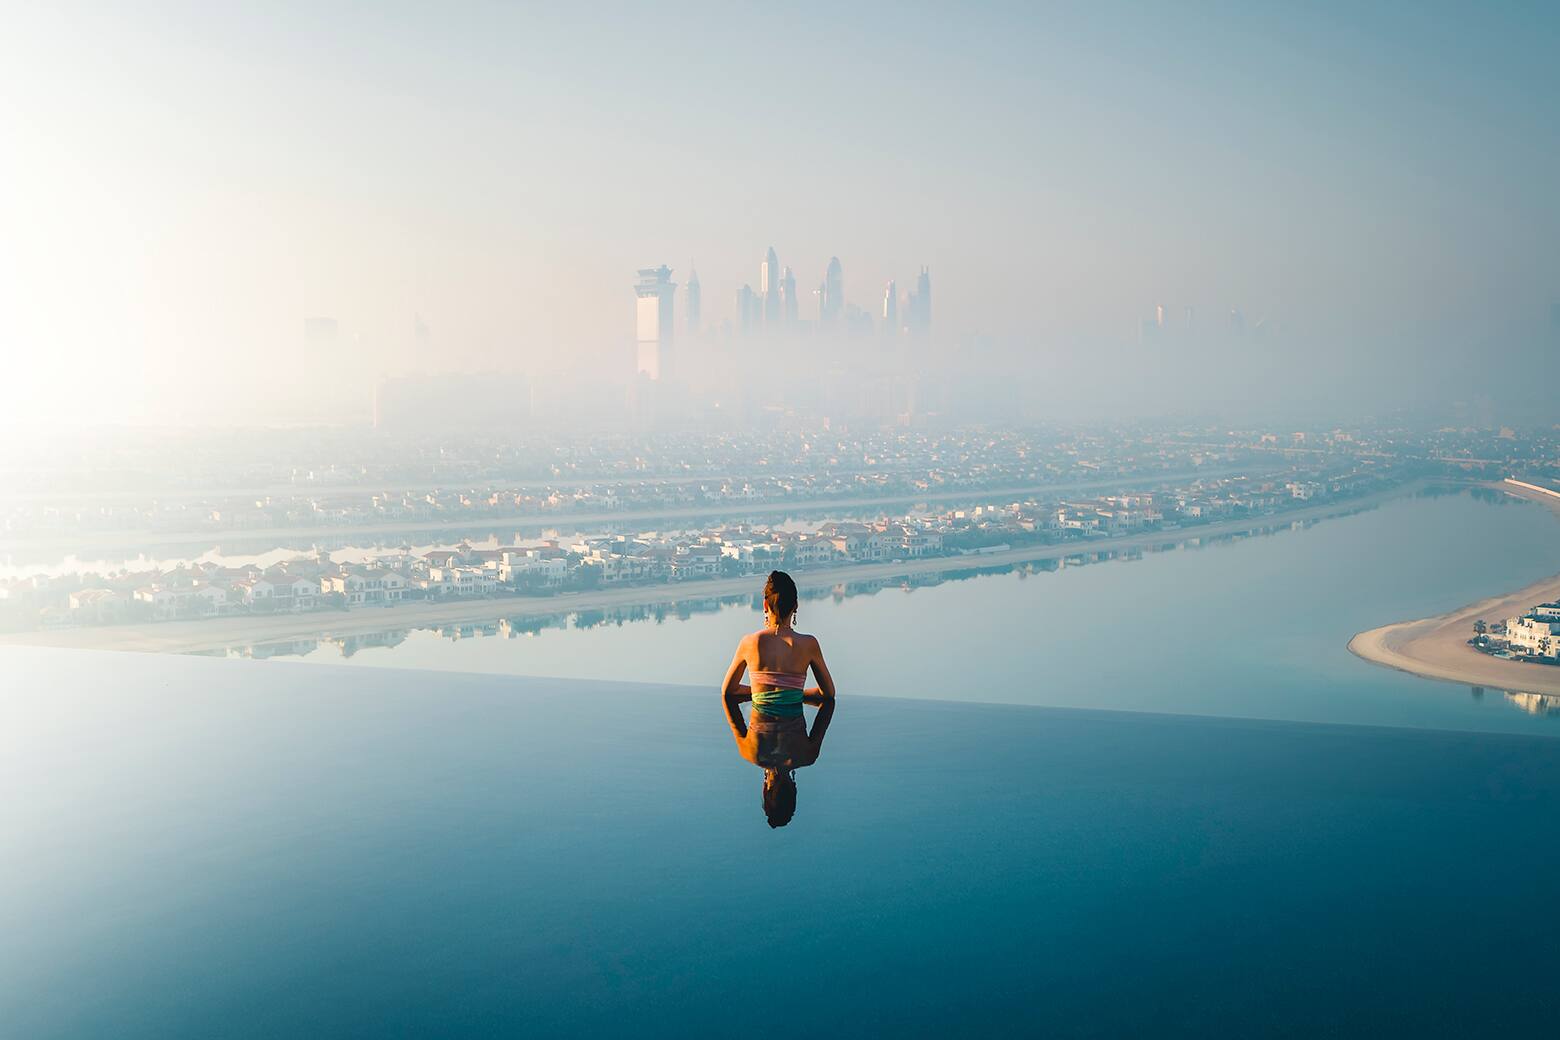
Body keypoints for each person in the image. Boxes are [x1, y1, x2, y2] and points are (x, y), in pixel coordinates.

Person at [720, 570, 837, 828]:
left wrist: (762, 692)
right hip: (795, 710)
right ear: (795, 607)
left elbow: (727, 691)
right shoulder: (808, 644)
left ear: (765, 604)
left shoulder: (750, 642)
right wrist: (794, 695)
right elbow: (828, 694)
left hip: (760, 707)